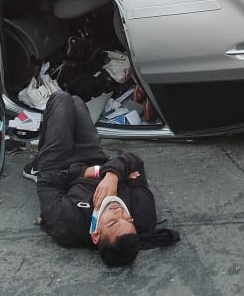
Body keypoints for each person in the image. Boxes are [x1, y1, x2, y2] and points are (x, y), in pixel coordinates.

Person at [29, 91, 178, 267]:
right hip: (96, 160)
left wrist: (83, 172)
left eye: (113, 221)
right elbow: (133, 161)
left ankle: (39, 157)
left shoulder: (67, 223)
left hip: (59, 166)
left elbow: (47, 181)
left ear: (95, 235)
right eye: (128, 219)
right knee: (77, 101)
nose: (119, 211)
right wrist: (112, 175)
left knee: (61, 99)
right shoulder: (143, 213)